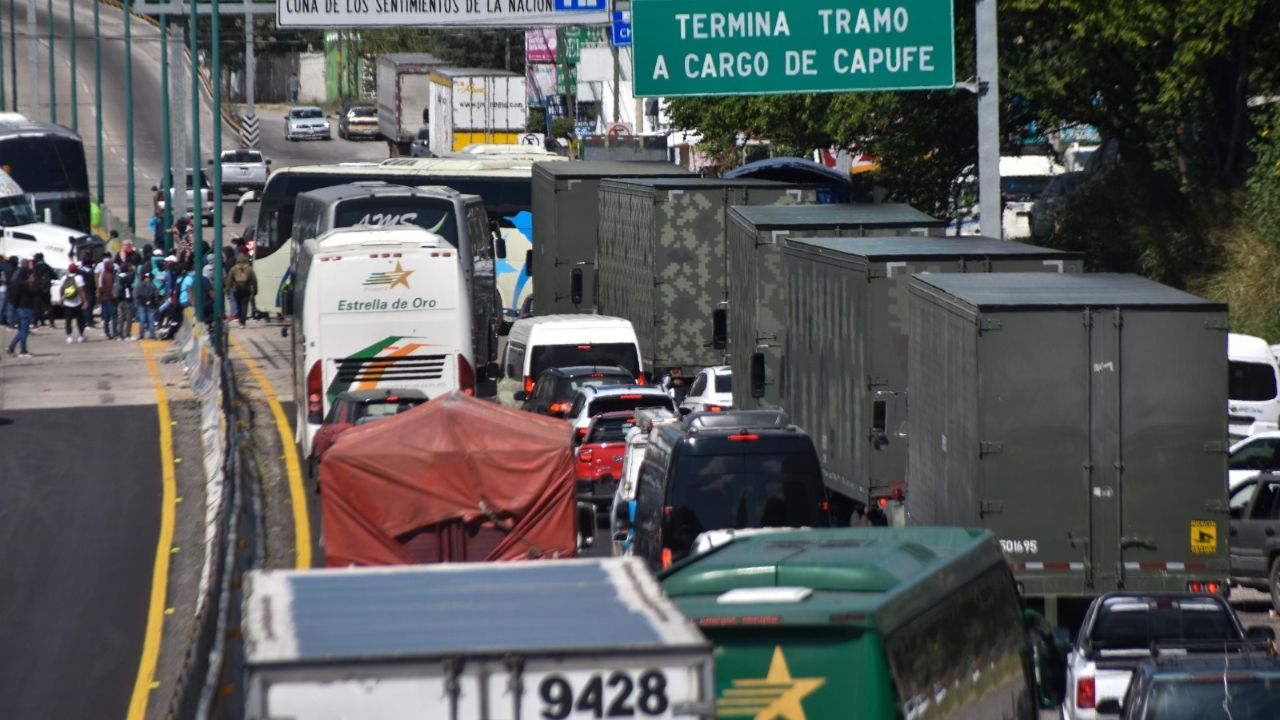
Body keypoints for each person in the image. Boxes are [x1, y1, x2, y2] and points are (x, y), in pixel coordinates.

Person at [5, 267, 36, 357]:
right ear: (27, 275)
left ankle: (11, 347)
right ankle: (23, 351)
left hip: (19, 308)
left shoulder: (16, 283)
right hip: (25, 308)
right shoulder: (24, 285)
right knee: (24, 331)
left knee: (23, 330)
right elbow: (35, 292)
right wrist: (32, 283)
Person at [59, 262, 88, 343]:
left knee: (68, 320)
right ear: (76, 270)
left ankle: (69, 336)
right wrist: (85, 301)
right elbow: (82, 291)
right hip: (77, 302)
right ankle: (81, 336)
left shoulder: (64, 278)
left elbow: (61, 290)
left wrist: (61, 299)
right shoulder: (79, 278)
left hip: (67, 302)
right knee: (80, 319)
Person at [227, 254, 258, 327]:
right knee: (245, 305)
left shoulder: (233, 269)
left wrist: (229, 288)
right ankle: (242, 322)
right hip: (246, 290)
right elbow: (254, 280)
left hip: (236, 290)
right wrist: (255, 290)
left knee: (238, 305)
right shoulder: (249, 269)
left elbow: (229, 280)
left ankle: (240, 319)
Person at [96, 254, 118, 339]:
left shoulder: (104, 274)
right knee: (114, 316)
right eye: (112, 266)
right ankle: (115, 333)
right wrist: (113, 297)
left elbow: (102, 287)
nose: (113, 267)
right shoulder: (109, 276)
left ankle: (107, 332)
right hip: (109, 299)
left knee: (106, 317)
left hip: (104, 298)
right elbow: (109, 288)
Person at [135, 271, 159, 340]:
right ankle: (152, 335)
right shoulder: (153, 285)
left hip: (141, 304)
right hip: (151, 305)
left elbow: (136, 295)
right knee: (151, 319)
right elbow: (156, 295)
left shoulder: (139, 285)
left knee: (142, 320)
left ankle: (141, 335)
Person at [115, 259, 135, 340]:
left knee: (120, 318)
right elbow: (132, 276)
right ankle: (127, 334)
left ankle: (120, 334)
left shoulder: (117, 277)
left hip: (119, 300)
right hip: (127, 300)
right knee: (129, 318)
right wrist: (132, 270)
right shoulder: (128, 277)